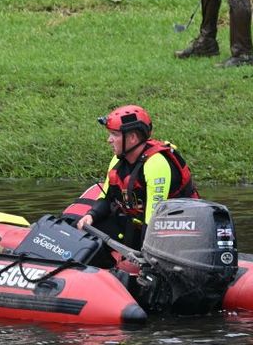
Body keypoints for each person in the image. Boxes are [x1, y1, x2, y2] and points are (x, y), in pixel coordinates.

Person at [76, 105, 199, 250]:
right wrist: (91, 215)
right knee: (78, 230)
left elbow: (153, 221)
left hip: (174, 234)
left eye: (114, 135)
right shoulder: (118, 160)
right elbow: (107, 197)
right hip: (136, 225)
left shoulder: (156, 165)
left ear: (132, 137)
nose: (109, 140)